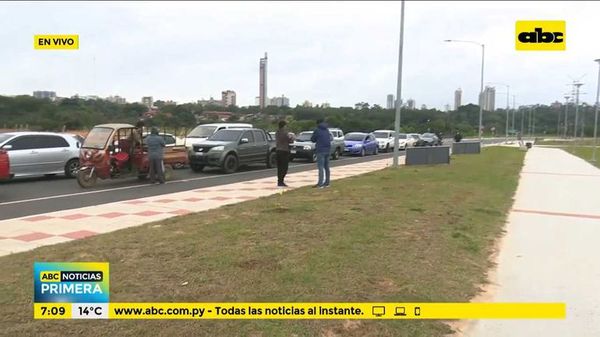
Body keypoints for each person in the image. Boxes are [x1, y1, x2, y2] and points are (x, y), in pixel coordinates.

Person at [310, 119, 333, 188]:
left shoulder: (317, 130)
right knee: (327, 167)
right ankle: (327, 182)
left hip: (320, 150)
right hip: (327, 149)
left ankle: (320, 183)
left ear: (317, 123)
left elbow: (313, 139)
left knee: (320, 167)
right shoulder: (327, 129)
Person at [275, 120, 293, 187]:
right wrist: (291, 137)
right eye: (286, 125)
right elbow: (290, 140)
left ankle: (279, 181)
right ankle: (281, 181)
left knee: (279, 167)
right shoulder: (285, 133)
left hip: (278, 150)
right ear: (284, 126)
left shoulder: (277, 132)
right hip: (284, 151)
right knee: (284, 167)